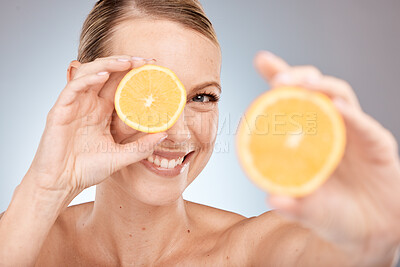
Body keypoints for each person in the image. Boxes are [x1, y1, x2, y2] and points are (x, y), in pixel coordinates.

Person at [0, 0, 399, 266]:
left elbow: (325, 252)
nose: (177, 129)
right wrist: (45, 188)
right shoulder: (26, 242)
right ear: (81, 88)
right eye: (148, 94)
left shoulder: (251, 251)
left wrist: (374, 239)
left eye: (202, 97)